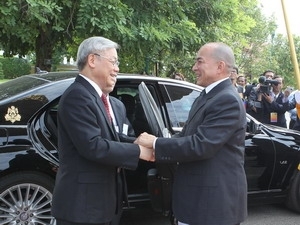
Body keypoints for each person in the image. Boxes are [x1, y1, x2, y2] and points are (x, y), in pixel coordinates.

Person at [135, 42, 247, 225]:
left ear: (220, 66)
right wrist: (156, 150)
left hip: (213, 205)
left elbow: (201, 145)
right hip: (199, 201)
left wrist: (156, 143)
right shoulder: (207, 96)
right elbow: (187, 135)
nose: (194, 67)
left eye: (199, 62)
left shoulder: (226, 100)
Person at [51, 36, 154, 225]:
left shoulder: (98, 98)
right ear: (92, 60)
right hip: (82, 209)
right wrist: (139, 151)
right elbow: (93, 145)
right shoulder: (78, 96)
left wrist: (137, 141)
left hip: (103, 205)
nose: (117, 68)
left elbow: (110, 137)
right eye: (113, 62)